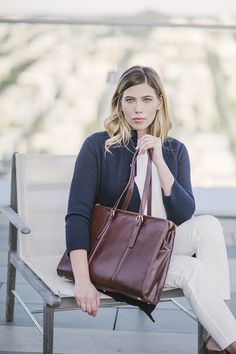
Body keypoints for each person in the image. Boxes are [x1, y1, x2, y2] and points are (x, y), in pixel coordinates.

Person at [65, 65, 236, 353]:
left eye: (146, 99)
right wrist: (83, 281)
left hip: (156, 249)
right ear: (119, 102)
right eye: (129, 100)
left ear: (159, 101)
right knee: (193, 269)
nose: (138, 109)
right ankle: (225, 341)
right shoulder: (98, 146)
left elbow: (183, 215)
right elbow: (77, 215)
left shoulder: (174, 150)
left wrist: (159, 160)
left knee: (208, 225)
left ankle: (220, 337)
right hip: (116, 257)